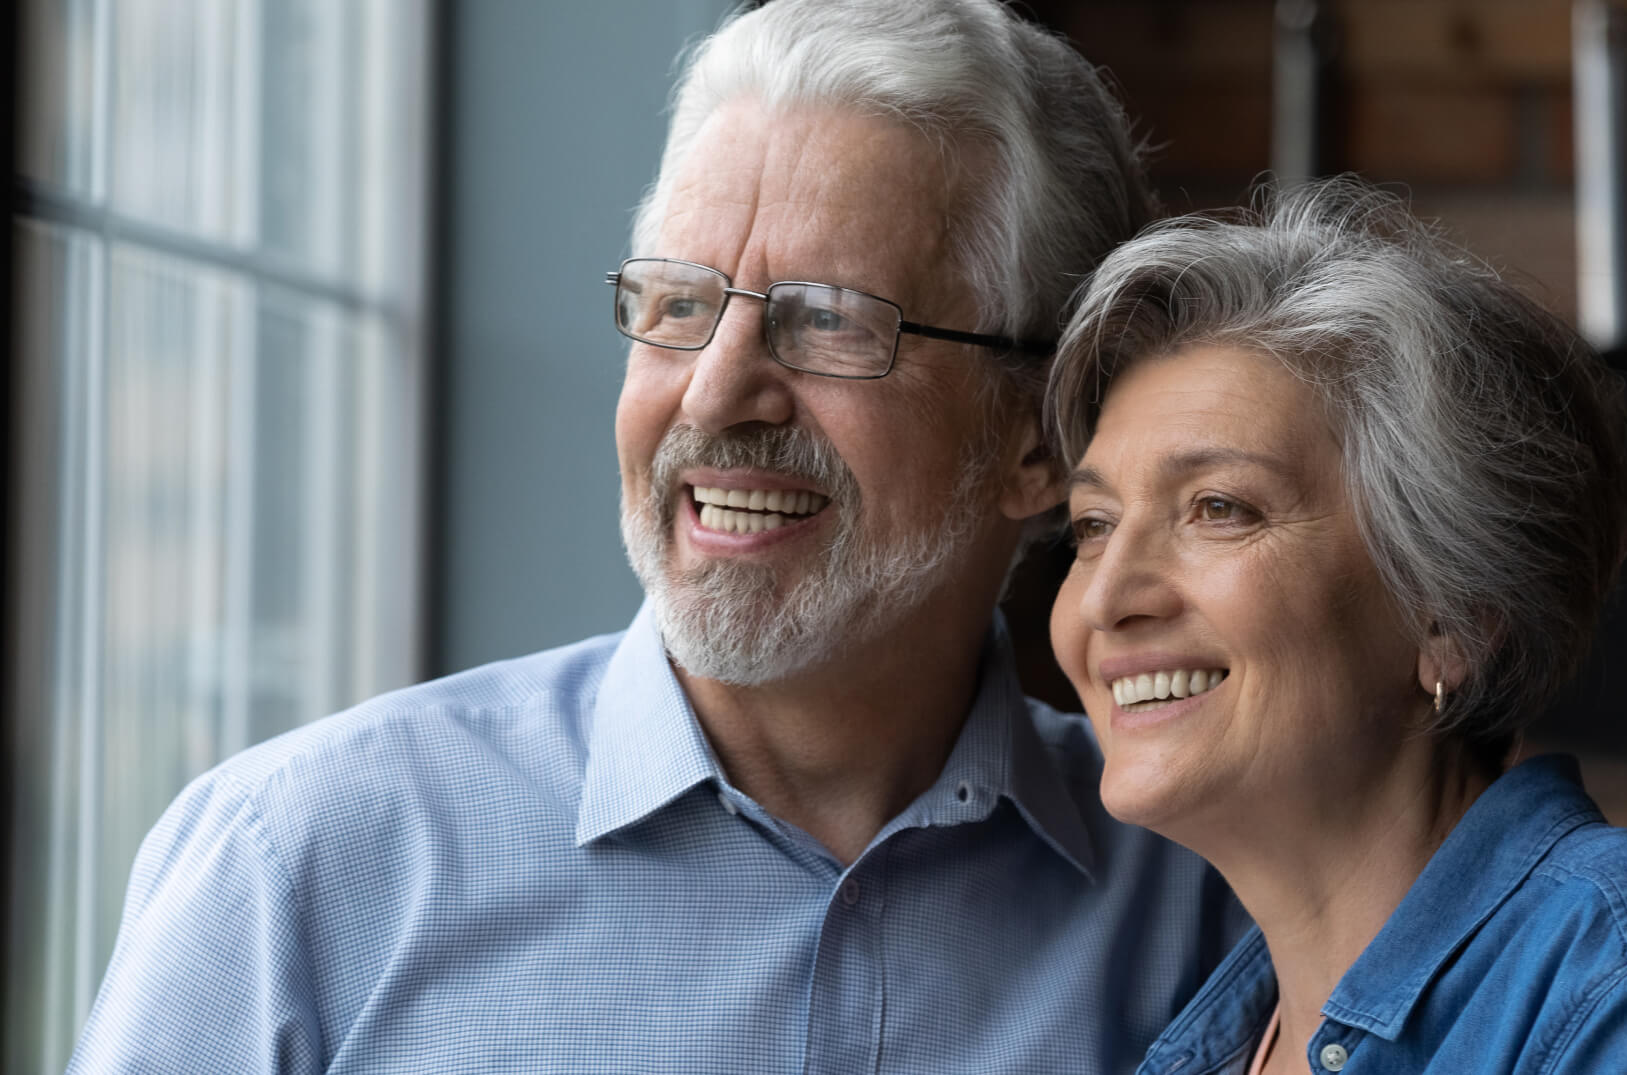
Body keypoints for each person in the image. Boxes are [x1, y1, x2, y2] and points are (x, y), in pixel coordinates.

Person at [69, 3, 1244, 1071]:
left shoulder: (1207, 888)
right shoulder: (294, 868)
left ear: (1037, 438)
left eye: (828, 321)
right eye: (680, 304)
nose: (716, 392)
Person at [1045, 178, 1627, 1074]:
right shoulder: (1208, 1044)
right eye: (1092, 526)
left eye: (1219, 507)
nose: (1106, 595)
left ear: (1454, 616)